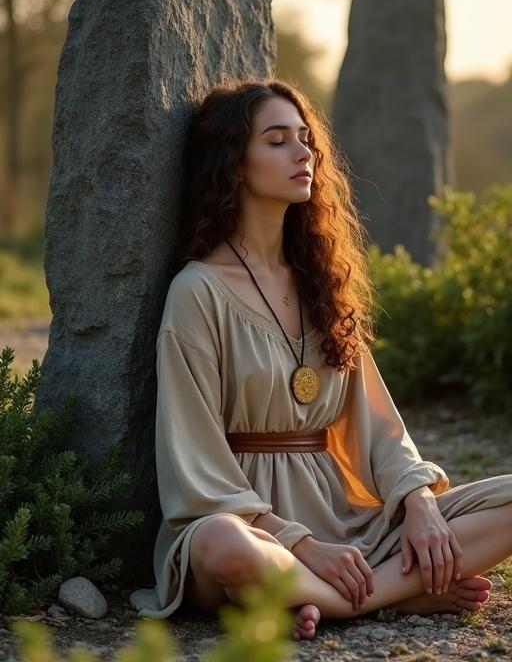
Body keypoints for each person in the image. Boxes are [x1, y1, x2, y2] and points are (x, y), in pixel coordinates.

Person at [129, 77, 512, 641]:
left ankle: (329, 599)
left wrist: (418, 505)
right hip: (251, 523)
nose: (303, 152)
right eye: (277, 139)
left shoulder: (323, 283)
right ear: (234, 162)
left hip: (346, 521)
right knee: (220, 546)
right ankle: (394, 595)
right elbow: (196, 460)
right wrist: (299, 545)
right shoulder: (197, 291)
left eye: (305, 138)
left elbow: (379, 427)